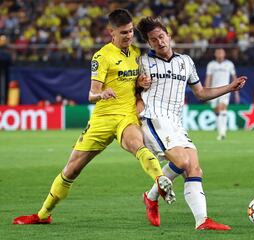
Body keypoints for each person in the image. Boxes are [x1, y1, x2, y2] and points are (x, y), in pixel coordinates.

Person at [13, 9, 175, 225]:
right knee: (72, 170)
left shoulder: (136, 53)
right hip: (103, 118)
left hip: (126, 116)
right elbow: (91, 94)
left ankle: (159, 179)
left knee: (137, 144)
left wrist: (139, 83)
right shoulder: (102, 56)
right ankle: (43, 214)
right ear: (111, 32)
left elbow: (133, 84)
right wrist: (102, 94)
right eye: (124, 32)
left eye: (130, 31)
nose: (129, 36)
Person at [136, 17, 247, 230]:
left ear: (169, 36)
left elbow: (202, 93)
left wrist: (229, 88)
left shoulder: (185, 62)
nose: (159, 42)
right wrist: (138, 86)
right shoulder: (142, 62)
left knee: (195, 167)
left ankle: (201, 220)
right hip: (154, 119)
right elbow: (130, 91)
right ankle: (151, 197)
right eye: (153, 40)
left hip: (176, 122)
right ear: (149, 44)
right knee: (183, 161)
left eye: (161, 36)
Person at [205, 48, 240, 140]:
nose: (220, 54)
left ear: (224, 54)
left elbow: (234, 77)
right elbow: (209, 78)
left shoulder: (229, 64)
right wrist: (206, 91)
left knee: (222, 107)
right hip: (213, 90)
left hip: (225, 89)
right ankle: (221, 130)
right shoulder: (211, 65)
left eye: (221, 53)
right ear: (215, 54)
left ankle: (222, 132)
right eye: (218, 53)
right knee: (217, 111)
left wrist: (236, 92)